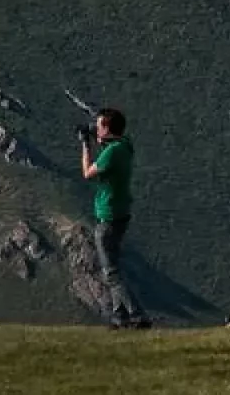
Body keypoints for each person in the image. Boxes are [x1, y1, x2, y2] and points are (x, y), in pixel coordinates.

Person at [79, 107, 149, 329]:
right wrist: (100, 139)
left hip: (108, 216)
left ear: (107, 128)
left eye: (99, 125)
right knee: (114, 266)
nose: (96, 128)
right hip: (121, 213)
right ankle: (120, 317)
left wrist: (85, 144)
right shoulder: (125, 145)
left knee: (111, 272)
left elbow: (87, 173)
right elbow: (113, 146)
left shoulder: (111, 152)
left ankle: (137, 315)